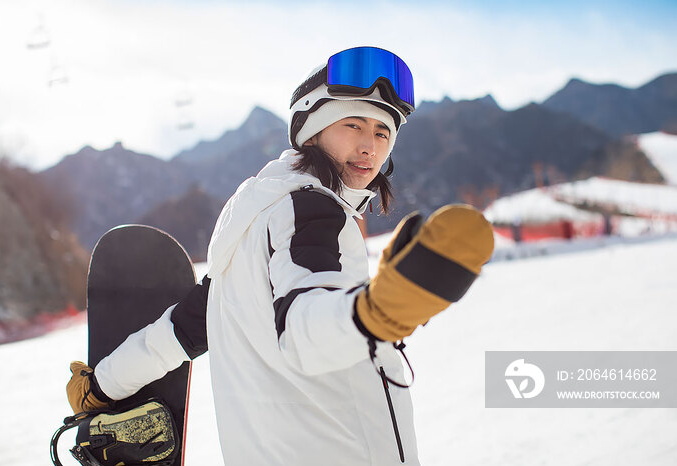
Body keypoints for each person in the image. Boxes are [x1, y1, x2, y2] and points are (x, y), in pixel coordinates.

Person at [66, 46, 494, 465]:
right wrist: (374, 313)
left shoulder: (251, 227)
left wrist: (102, 386)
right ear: (313, 131)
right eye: (353, 125)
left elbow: (176, 333)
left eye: (383, 132)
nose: (370, 146)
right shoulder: (311, 209)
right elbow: (304, 323)